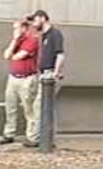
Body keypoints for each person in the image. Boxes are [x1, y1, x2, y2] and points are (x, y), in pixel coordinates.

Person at [1, 13, 42, 146]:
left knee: (29, 108)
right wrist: (14, 41)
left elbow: (18, 56)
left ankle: (32, 136)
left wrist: (12, 53)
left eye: (17, 28)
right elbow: (6, 55)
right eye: (14, 29)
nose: (15, 31)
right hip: (13, 77)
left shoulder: (32, 40)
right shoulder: (16, 41)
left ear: (24, 28)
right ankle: (9, 133)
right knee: (10, 107)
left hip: (27, 78)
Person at [34, 11, 65, 148]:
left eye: (35, 20)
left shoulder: (54, 34)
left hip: (49, 73)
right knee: (41, 106)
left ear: (42, 18)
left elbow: (60, 54)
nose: (34, 24)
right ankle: (44, 137)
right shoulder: (43, 36)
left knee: (44, 106)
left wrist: (56, 72)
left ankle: (46, 139)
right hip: (41, 74)